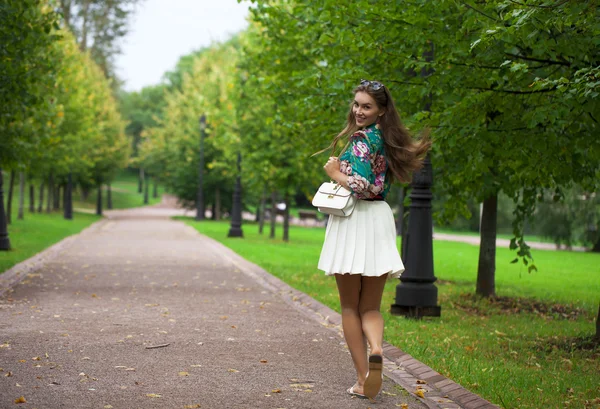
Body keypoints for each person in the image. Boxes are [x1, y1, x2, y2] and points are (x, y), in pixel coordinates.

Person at [317, 79, 430, 400]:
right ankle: (377, 348)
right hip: (378, 221)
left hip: (355, 220)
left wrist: (336, 173)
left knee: (350, 307)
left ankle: (363, 377)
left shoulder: (363, 140)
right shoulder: (386, 138)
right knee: (371, 307)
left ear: (381, 111)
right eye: (356, 104)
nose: (359, 110)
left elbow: (364, 184)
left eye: (366, 106)